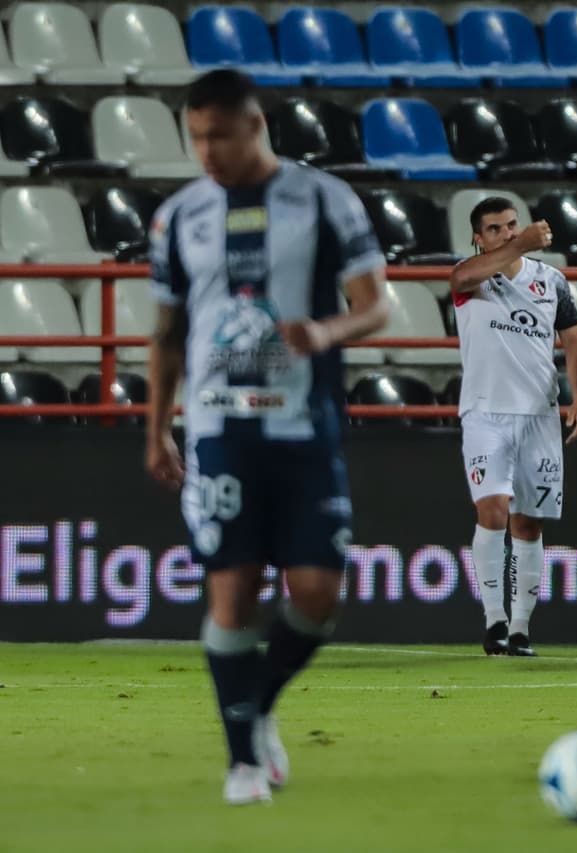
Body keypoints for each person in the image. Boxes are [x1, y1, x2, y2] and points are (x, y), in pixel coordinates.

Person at [145, 70, 390, 805]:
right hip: (219, 428)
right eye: (196, 137)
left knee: (317, 595)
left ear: (256, 126)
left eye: (219, 134)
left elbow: (379, 305)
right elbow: (166, 332)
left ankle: (258, 700)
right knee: (233, 591)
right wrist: (156, 425)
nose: (207, 151)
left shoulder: (322, 199)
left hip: (304, 424)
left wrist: (323, 331)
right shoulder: (177, 217)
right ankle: (244, 761)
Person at [449, 198, 577, 658]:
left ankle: (522, 628)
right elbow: (459, 279)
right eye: (495, 229)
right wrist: (522, 245)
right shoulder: (470, 277)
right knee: (492, 510)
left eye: (512, 226)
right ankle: (494, 621)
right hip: (485, 412)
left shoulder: (553, 282)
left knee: (529, 524)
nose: (507, 234)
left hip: (539, 416)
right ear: (478, 237)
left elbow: (573, 343)